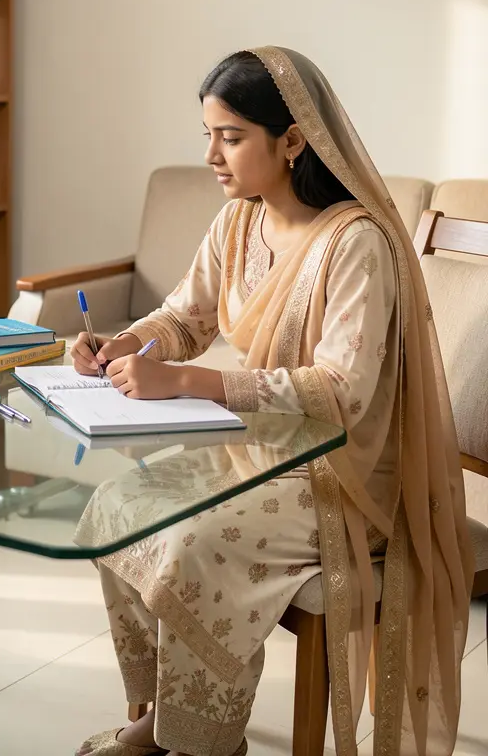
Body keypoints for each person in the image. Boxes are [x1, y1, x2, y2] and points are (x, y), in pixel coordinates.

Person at [72, 48, 472, 756]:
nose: (211, 156)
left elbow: (341, 391)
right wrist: (125, 342)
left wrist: (190, 382)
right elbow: (185, 317)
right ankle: (167, 720)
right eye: (208, 135)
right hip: (256, 450)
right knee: (119, 506)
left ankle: (201, 738)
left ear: (292, 140)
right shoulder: (237, 223)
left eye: (230, 137)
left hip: (344, 475)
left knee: (192, 544)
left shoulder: (357, 242)